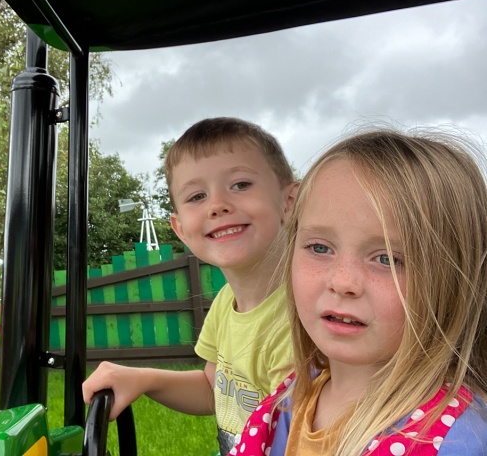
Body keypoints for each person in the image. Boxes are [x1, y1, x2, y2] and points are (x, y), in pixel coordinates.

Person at [231, 128, 487, 455]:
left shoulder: (457, 442)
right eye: (319, 247)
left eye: (387, 259)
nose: (342, 282)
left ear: (455, 281)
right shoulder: (293, 396)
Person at [82, 117, 298, 454]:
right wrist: (143, 378)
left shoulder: (302, 318)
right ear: (181, 229)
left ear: (289, 201)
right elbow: (213, 388)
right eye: (197, 196)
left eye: (240, 184)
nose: (217, 205)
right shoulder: (226, 302)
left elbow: (300, 437)